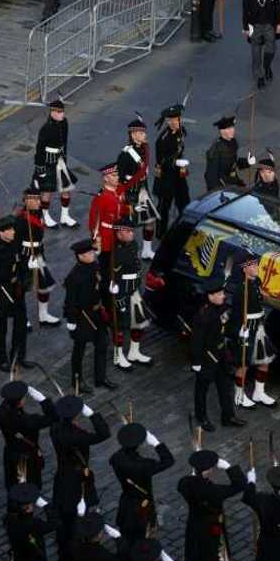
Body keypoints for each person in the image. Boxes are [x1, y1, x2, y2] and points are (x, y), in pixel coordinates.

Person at [49, 393, 112, 561]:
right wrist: (91, 414)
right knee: (75, 521)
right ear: (76, 416)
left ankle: (64, 554)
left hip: (61, 476)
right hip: (77, 481)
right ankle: (77, 554)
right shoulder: (77, 436)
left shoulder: (54, 428)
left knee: (63, 517)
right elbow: (104, 433)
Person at [177, 449, 247, 561]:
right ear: (208, 470)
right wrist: (228, 467)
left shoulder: (184, 483)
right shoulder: (214, 491)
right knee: (212, 559)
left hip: (194, 525)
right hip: (211, 528)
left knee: (196, 558)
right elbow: (240, 485)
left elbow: (187, 482)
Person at [109, 421, 175, 546]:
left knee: (127, 536)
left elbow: (122, 453)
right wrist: (156, 444)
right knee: (144, 538)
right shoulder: (144, 465)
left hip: (127, 501)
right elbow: (168, 461)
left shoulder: (116, 458)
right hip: (143, 505)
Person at [191, 281, 245, 432]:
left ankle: (228, 416)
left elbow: (227, 324)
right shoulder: (203, 315)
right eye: (220, 294)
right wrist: (196, 361)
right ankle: (201, 417)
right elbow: (197, 340)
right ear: (210, 296)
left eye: (223, 293)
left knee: (225, 386)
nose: (223, 296)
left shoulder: (222, 307)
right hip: (207, 356)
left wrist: (239, 331)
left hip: (221, 353)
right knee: (202, 389)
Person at [65, 239, 116, 391]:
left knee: (102, 343)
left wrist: (109, 288)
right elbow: (70, 301)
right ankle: (77, 380)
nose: (92, 254)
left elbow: (101, 285)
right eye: (88, 253)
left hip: (97, 312)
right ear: (80, 256)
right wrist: (71, 319)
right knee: (79, 349)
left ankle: (100, 378)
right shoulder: (74, 277)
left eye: (92, 252)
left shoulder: (95, 266)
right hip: (83, 316)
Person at [227, 254, 276, 409]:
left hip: (259, 326)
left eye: (256, 265)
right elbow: (235, 314)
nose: (256, 268)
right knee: (244, 364)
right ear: (244, 269)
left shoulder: (257, 282)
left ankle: (259, 392)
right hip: (247, 328)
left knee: (265, 361)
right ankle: (239, 396)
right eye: (252, 266)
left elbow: (261, 296)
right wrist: (239, 331)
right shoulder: (241, 290)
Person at [0, 215, 28, 370]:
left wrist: (24, 282)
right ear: (1, 233)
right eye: (9, 230)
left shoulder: (15, 244)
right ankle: (0, 359)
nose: (13, 232)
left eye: (12, 228)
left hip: (16, 290)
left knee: (21, 325)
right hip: (1, 293)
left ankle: (18, 356)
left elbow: (21, 264)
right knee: (1, 329)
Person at [0, 379, 56, 489]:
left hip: (11, 452)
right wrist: (43, 400)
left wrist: (12, 392)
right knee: (30, 484)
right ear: (20, 402)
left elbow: (5, 407)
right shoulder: (29, 421)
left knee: (13, 482)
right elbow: (53, 417)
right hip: (28, 456)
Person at [108, 218, 153, 369]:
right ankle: (118, 355)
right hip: (123, 291)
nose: (131, 233)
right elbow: (114, 276)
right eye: (128, 231)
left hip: (133, 289)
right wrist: (119, 298)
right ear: (119, 234)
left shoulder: (132, 244)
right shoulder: (116, 251)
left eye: (132, 231)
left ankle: (134, 352)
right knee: (120, 326)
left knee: (138, 323)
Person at [17, 187, 62, 327]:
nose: (38, 201)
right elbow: (15, 241)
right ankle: (22, 318)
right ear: (26, 201)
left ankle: (43, 315)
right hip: (25, 255)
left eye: (38, 198)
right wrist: (19, 258)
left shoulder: (38, 213)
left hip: (38, 254)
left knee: (44, 285)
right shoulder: (21, 219)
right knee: (21, 288)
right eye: (34, 199)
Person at [33, 99, 79, 228]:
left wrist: (64, 160)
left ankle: (64, 216)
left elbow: (64, 142)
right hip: (47, 162)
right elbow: (39, 149)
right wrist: (40, 169)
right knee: (47, 191)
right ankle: (46, 216)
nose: (61, 115)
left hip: (60, 161)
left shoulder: (64, 123)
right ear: (52, 112)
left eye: (62, 112)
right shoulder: (46, 128)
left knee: (66, 189)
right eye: (58, 112)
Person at [115, 119, 157, 260]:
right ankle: (126, 253)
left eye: (144, 132)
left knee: (149, 221)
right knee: (128, 225)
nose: (144, 134)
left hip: (143, 190)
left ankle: (147, 250)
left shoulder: (145, 148)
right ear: (133, 135)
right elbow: (119, 176)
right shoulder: (126, 154)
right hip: (131, 192)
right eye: (141, 132)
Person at [6, 481, 61, 561]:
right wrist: (46, 506)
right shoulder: (35, 524)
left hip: (19, 560)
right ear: (28, 508)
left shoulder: (10, 521)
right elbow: (55, 523)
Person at [242, 0, 280, 89]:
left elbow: (277, 7)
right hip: (255, 26)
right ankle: (260, 77)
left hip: (269, 25)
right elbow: (245, 11)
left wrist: (279, 24)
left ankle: (267, 67)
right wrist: (245, 28)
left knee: (271, 49)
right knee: (256, 53)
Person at [88, 162, 134, 272]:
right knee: (106, 266)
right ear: (106, 178)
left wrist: (131, 210)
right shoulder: (101, 198)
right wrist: (96, 240)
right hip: (106, 235)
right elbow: (94, 222)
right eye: (114, 176)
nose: (117, 178)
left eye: (117, 175)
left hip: (119, 233)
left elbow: (123, 208)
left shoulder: (120, 190)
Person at [153, 104, 190, 236]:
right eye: (173, 121)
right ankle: (160, 232)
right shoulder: (162, 140)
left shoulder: (180, 131)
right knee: (164, 207)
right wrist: (176, 162)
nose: (176, 123)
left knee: (184, 202)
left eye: (178, 119)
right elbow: (161, 161)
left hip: (179, 175)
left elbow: (180, 142)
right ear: (168, 122)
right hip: (166, 177)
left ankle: (185, 229)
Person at [204, 115, 254, 190]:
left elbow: (234, 163)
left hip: (232, 181)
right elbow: (210, 176)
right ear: (222, 131)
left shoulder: (232, 143)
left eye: (233, 127)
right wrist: (217, 193)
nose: (232, 130)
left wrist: (247, 162)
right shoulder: (216, 151)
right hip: (223, 185)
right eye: (229, 128)